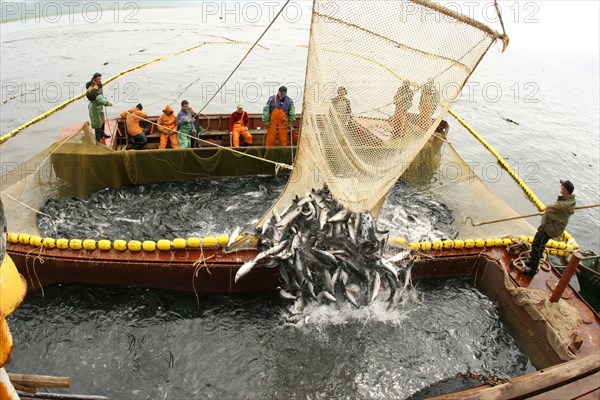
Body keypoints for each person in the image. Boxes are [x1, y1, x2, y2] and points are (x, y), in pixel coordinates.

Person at [523, 180, 576, 276]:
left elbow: (549, 209)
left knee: (536, 244)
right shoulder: (570, 201)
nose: (560, 188)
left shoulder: (562, 205)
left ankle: (533, 269)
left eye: (562, 187)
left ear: (565, 191)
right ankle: (532, 261)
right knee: (541, 244)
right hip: (550, 225)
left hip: (550, 228)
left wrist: (547, 212)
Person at [86, 72, 112, 142]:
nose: (99, 80)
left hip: (99, 106)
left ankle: (102, 134)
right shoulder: (92, 88)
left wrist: (103, 100)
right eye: (98, 79)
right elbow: (98, 97)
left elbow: (101, 96)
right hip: (94, 107)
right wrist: (106, 103)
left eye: (100, 79)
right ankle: (98, 140)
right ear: (94, 79)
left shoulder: (99, 84)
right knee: (97, 124)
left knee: (102, 121)